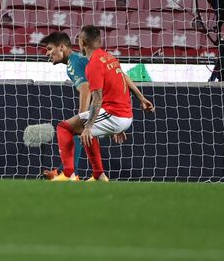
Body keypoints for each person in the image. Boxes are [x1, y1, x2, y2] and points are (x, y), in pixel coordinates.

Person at [54, 26, 155, 182]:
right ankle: (99, 175)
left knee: (64, 128)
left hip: (115, 115)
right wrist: (141, 98)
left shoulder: (93, 65)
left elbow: (97, 98)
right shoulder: (109, 57)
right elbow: (123, 77)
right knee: (87, 131)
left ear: (82, 42)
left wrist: (88, 126)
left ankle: (69, 175)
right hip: (121, 114)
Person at [39, 31, 90, 181]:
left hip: (109, 104)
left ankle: (68, 174)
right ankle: (70, 172)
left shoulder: (73, 63)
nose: (47, 53)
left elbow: (86, 88)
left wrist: (82, 117)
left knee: (71, 128)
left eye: (49, 49)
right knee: (76, 131)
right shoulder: (78, 59)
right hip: (112, 103)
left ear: (61, 47)